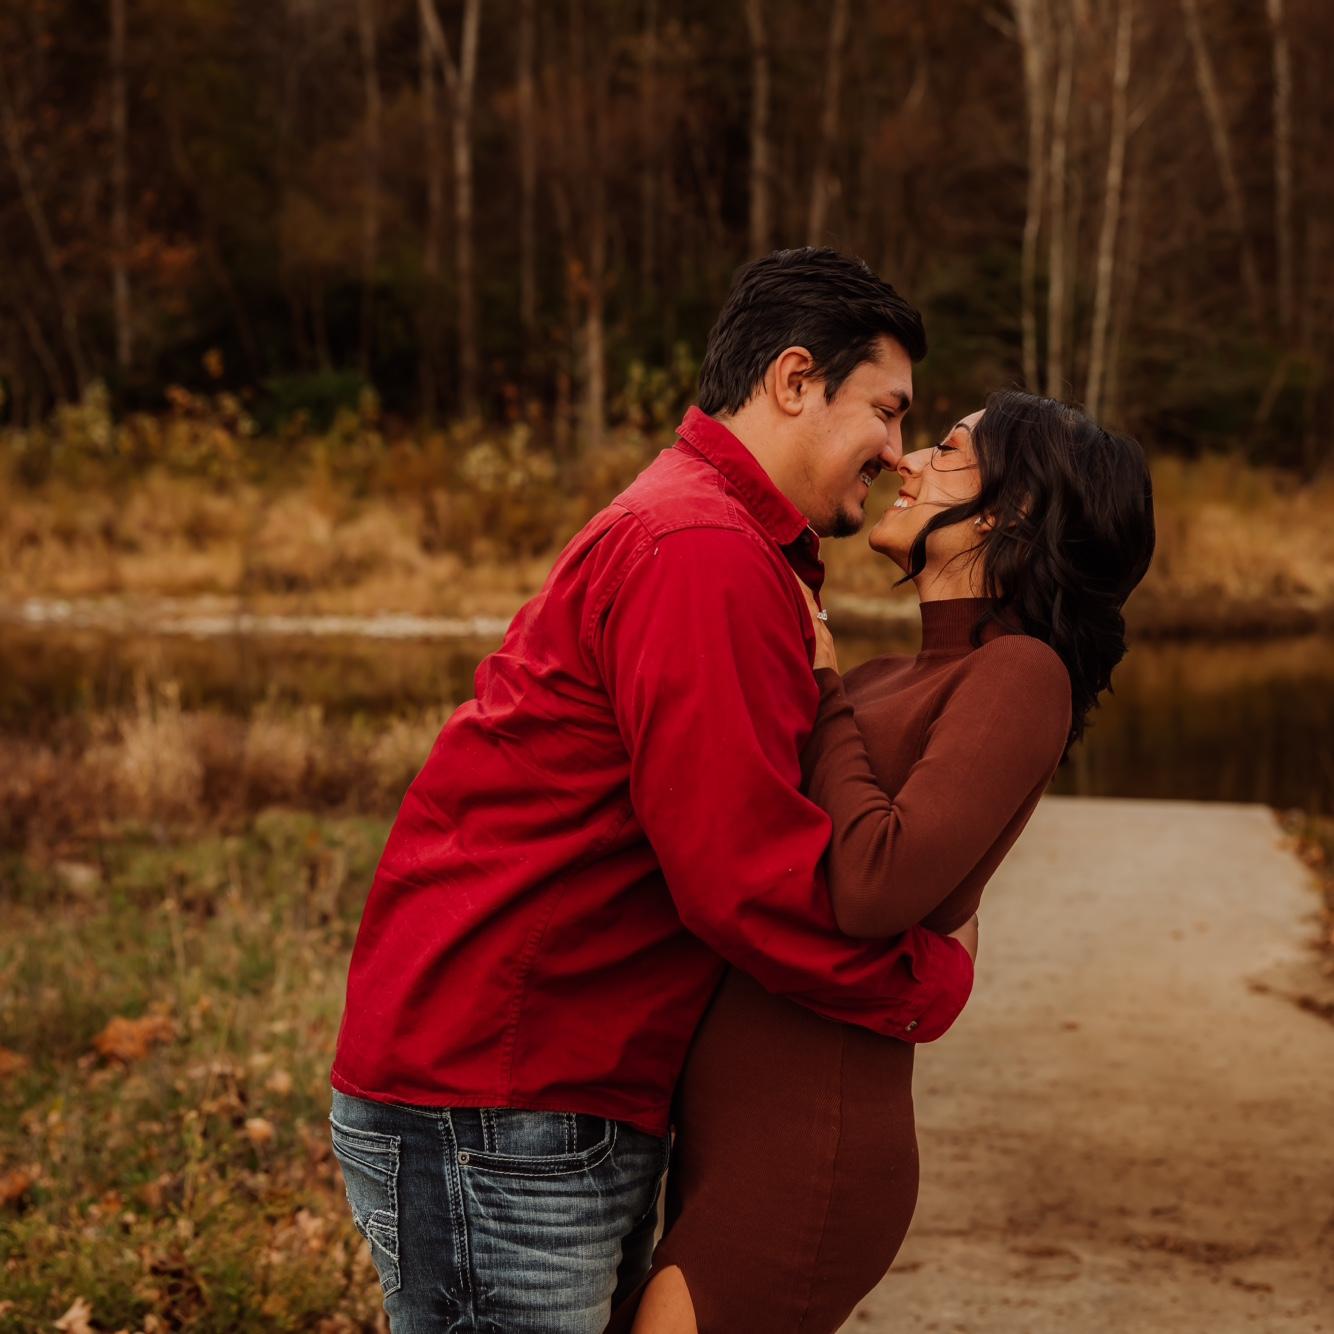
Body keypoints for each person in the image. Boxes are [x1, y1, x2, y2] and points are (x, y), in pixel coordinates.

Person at [328, 248, 979, 1332]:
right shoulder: (699, 550)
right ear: (793, 379)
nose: (896, 449)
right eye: (885, 409)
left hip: (545, 1092)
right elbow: (741, 875)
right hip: (502, 1098)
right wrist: (923, 982)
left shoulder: (713, 533)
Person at [612, 390, 1156, 1333]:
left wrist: (822, 686)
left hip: (804, 1154)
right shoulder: (888, 678)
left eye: (948, 449)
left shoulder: (1020, 675)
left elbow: (871, 884)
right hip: (717, 1142)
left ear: (1011, 512)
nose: (907, 461)